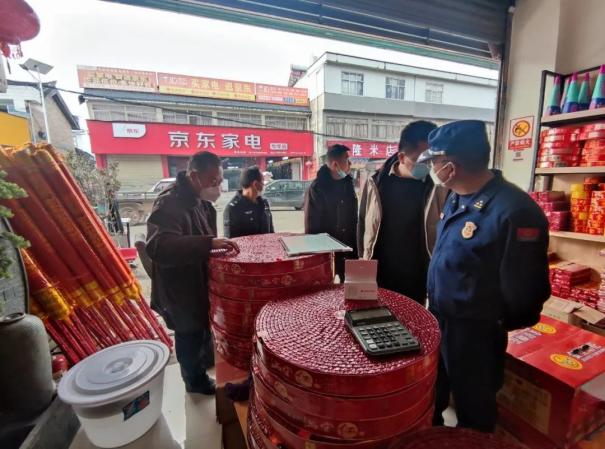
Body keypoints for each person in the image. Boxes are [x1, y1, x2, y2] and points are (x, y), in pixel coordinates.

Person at [418, 120, 550, 432]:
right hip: (440, 317)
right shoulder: (456, 195)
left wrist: (490, 324)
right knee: (432, 395)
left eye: (435, 162)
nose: (432, 169)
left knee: (474, 409)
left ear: (452, 166)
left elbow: (525, 289)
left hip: (475, 332)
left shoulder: (515, 211)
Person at [146, 151, 240, 395]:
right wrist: (208, 243)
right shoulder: (169, 203)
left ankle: (203, 364)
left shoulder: (200, 201)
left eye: (220, 181)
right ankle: (194, 382)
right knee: (188, 333)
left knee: (201, 328)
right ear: (194, 176)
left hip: (198, 279)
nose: (217, 187)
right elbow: (159, 247)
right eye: (213, 181)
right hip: (179, 287)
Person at [358, 120, 447, 304]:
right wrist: (363, 260)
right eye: (422, 161)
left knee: (413, 319)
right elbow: (362, 221)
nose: (429, 167)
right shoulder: (376, 183)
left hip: (417, 277)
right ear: (401, 157)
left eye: (432, 160)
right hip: (380, 274)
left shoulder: (437, 188)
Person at [304, 144, 357, 282]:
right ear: (335, 165)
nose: (350, 164)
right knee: (326, 289)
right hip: (327, 253)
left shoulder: (348, 183)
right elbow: (312, 227)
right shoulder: (317, 189)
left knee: (350, 289)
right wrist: (317, 259)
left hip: (349, 250)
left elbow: (354, 218)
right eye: (347, 160)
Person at [224, 166, 274, 238]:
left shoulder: (264, 203)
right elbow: (231, 241)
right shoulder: (233, 209)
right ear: (255, 184)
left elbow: (271, 233)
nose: (264, 185)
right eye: (262, 182)